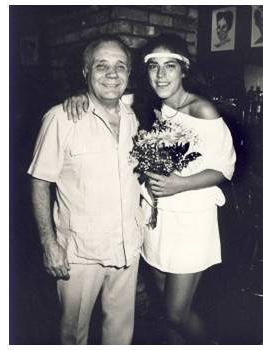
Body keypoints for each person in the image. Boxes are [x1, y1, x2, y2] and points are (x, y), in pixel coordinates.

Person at [62, 33, 236, 345]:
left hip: (191, 222)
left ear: (183, 70)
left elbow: (225, 168)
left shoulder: (203, 111)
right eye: (154, 67)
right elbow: (103, 95)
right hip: (154, 221)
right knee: (164, 306)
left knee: (175, 314)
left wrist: (179, 184)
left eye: (170, 66)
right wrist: (77, 95)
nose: (161, 75)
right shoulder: (145, 104)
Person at [27, 35, 144, 345]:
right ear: (85, 73)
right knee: (72, 334)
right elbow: (40, 182)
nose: (112, 74)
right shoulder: (61, 118)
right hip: (79, 253)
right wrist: (49, 244)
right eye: (101, 66)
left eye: (120, 66)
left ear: (129, 74)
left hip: (126, 245)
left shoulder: (138, 117)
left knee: (121, 333)